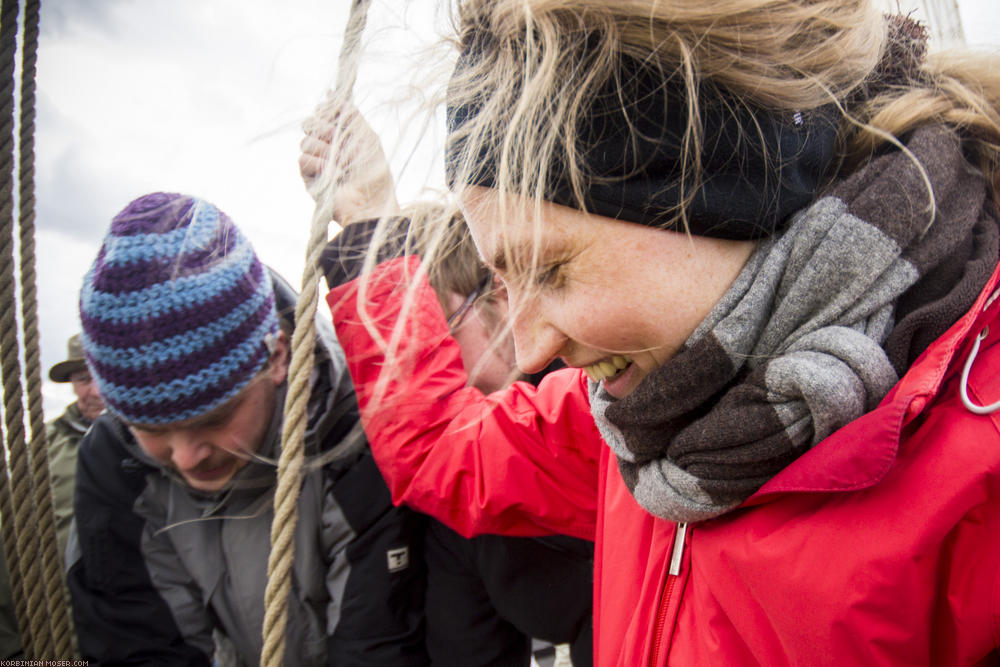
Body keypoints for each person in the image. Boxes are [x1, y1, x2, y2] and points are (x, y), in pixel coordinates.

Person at [320, 3, 1000, 665]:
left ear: (723, 183)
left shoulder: (979, 483)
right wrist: (368, 231)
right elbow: (441, 447)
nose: (529, 352)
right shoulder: (640, 420)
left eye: (551, 267)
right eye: (505, 280)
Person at [66, 192, 428, 666]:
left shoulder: (354, 428)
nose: (188, 456)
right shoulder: (115, 462)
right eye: (150, 428)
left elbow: (379, 644)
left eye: (212, 419)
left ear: (277, 357)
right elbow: (136, 646)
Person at [301, 107, 594, 666]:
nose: (433, 369)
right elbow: (468, 646)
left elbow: (437, 436)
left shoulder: (599, 388)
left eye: (438, 337)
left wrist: (370, 221)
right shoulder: (458, 516)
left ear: (497, 296)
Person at [46, 332, 105, 559]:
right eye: (83, 378)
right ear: (71, 384)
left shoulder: (153, 438)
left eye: (102, 375)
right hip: (60, 588)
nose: (96, 391)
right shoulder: (47, 442)